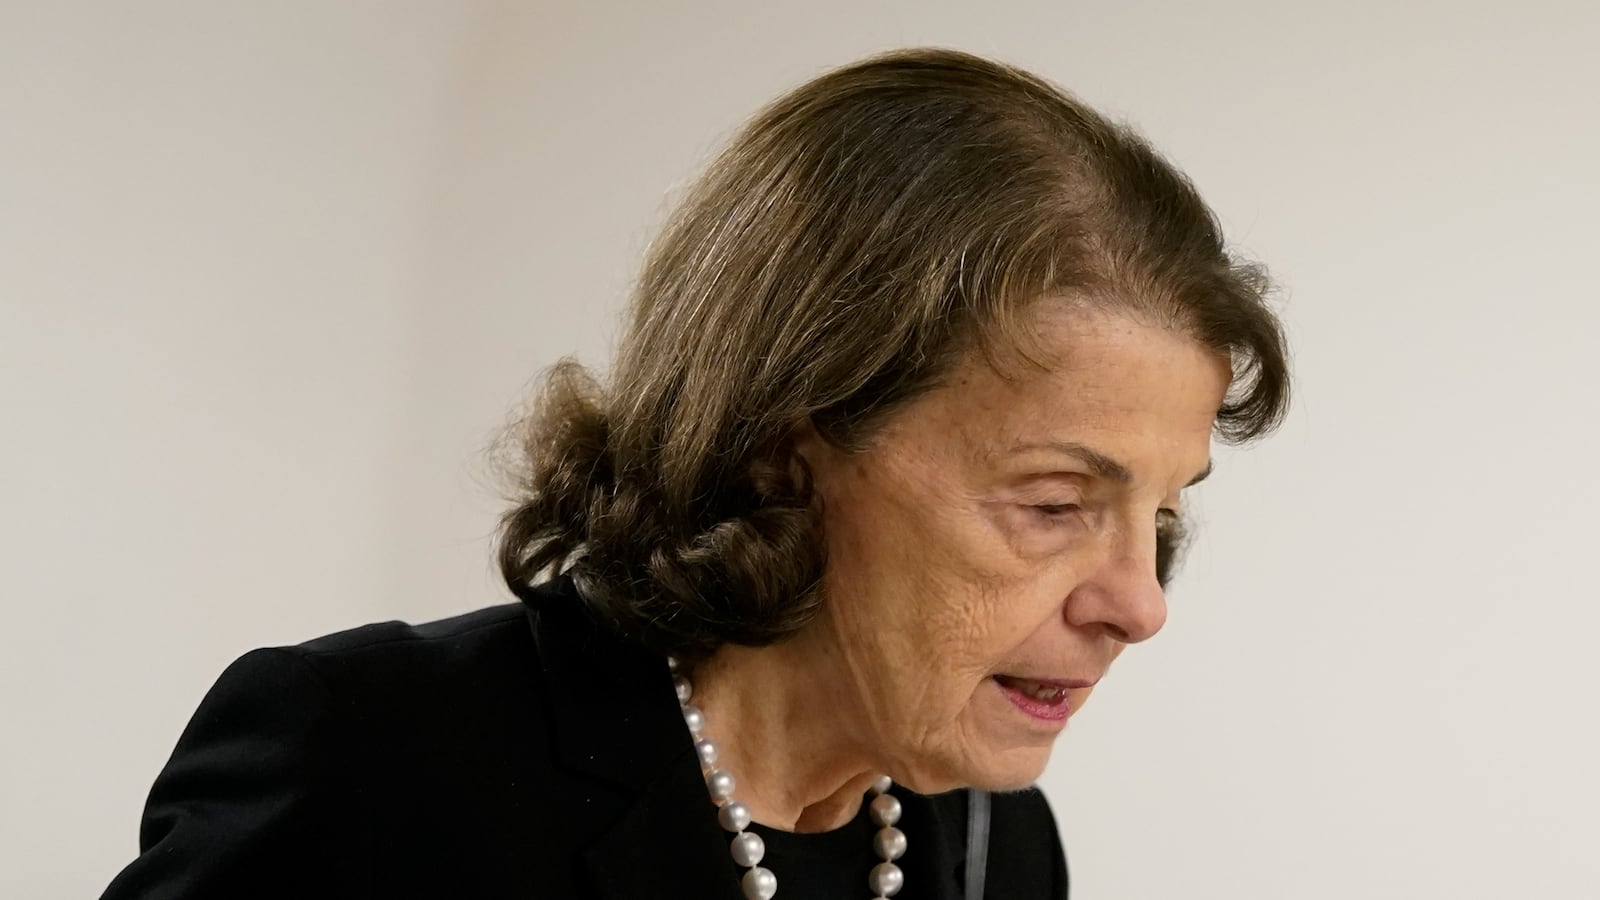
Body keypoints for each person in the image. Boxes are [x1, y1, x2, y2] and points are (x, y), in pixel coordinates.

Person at [101, 47, 1290, 900]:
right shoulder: (378, 757)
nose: (1137, 604)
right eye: (1054, 504)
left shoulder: (994, 844)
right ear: (784, 446)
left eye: (1163, 513)